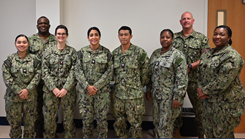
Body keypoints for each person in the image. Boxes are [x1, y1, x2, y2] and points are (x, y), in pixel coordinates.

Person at [197, 25, 245, 138]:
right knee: (209, 133)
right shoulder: (207, 54)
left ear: (229, 38)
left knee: (222, 135)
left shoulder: (232, 56)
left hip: (225, 104)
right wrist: (199, 88)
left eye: (221, 34)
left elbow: (223, 81)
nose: (217, 37)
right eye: (215, 34)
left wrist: (204, 90)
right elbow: (200, 72)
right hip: (208, 103)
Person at [172, 11, 210, 138]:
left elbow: (206, 58)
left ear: (193, 21)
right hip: (177, 80)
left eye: (188, 18)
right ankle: (176, 132)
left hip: (196, 79)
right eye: (184, 19)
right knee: (176, 107)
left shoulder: (201, 38)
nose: (186, 20)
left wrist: (190, 66)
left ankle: (201, 133)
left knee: (200, 109)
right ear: (180, 22)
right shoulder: (174, 38)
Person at [146, 29, 188, 138]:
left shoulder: (177, 55)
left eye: (167, 37)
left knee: (166, 125)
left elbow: (182, 78)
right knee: (157, 122)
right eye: (162, 37)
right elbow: (151, 74)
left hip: (169, 97)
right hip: (156, 95)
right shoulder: (155, 53)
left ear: (172, 39)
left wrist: (177, 97)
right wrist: (149, 90)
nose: (165, 39)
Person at [112, 26, 150, 138]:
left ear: (131, 36)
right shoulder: (114, 54)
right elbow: (112, 73)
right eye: (121, 35)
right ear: (118, 36)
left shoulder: (140, 52)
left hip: (134, 97)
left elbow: (146, 72)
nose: (123, 37)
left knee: (136, 124)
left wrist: (137, 85)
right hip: (118, 96)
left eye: (126, 34)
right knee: (119, 123)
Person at [75, 27, 113, 138]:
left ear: (99, 37)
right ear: (88, 38)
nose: (94, 37)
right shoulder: (81, 52)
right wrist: (87, 87)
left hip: (101, 93)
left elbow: (109, 72)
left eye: (96, 35)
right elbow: (78, 70)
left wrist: (95, 87)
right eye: (91, 35)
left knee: (102, 120)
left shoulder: (106, 53)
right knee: (87, 120)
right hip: (85, 93)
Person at [3, 34, 41, 138]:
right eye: (19, 42)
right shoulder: (9, 60)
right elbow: (7, 78)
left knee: (30, 126)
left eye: (24, 42)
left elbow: (38, 76)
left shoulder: (35, 60)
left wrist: (27, 90)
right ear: (15, 44)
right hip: (13, 99)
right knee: (15, 126)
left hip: (30, 98)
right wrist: (20, 91)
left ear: (28, 44)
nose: (21, 44)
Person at [42, 25, 77, 138]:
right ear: (55, 35)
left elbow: (74, 71)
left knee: (69, 118)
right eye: (58, 33)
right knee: (49, 119)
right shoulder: (48, 51)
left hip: (68, 91)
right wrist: (54, 88)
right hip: (50, 91)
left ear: (66, 35)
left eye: (63, 34)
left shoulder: (72, 52)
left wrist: (65, 88)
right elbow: (44, 71)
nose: (61, 36)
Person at [28, 16, 57, 138]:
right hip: (35, 79)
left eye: (45, 23)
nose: (43, 25)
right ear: (37, 26)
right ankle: (39, 131)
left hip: (51, 79)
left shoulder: (55, 40)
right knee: (36, 107)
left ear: (49, 26)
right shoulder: (30, 40)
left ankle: (51, 132)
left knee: (51, 108)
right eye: (40, 23)